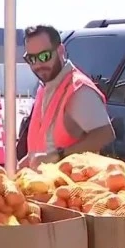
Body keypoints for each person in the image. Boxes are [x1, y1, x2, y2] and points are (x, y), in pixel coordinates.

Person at [15, 25, 114, 168]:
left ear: (60, 50)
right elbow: (43, 144)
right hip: (42, 184)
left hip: (70, 186)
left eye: (44, 56)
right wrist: (27, 161)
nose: (38, 64)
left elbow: (104, 134)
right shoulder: (46, 86)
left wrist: (60, 156)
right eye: (31, 59)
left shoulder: (78, 89)